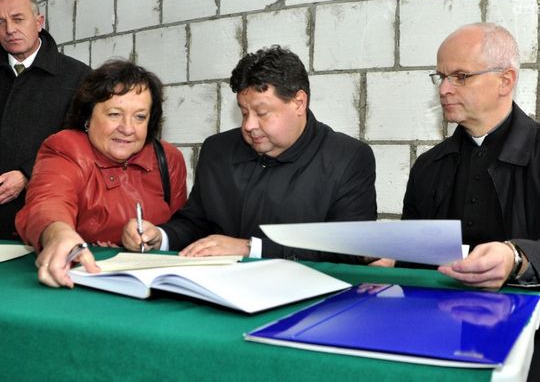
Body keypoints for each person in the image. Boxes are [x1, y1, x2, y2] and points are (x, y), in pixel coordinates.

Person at [123, 45, 377, 263]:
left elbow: (350, 249)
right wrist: (160, 236)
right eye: (244, 112)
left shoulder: (348, 158)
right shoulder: (217, 150)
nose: (248, 125)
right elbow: (196, 223)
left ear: (299, 102)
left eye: (262, 113)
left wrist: (251, 249)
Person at [15, 60, 188, 288]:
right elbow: (47, 201)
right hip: (80, 283)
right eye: (115, 114)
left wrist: (158, 236)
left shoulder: (168, 158)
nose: (127, 128)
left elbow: (183, 229)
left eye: (140, 117)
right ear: (88, 117)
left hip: (152, 287)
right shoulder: (66, 147)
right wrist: (58, 234)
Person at [402, 23, 540, 289]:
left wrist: (516, 257)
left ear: (505, 80)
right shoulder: (428, 165)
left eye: (461, 76)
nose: (444, 90)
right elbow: (415, 255)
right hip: (441, 309)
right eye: (441, 77)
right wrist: (394, 258)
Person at [0, 0, 91, 239]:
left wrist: (28, 173)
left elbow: (81, 143)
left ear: (39, 22)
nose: (9, 29)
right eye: (1, 22)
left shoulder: (78, 76)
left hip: (44, 219)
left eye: (18, 19)